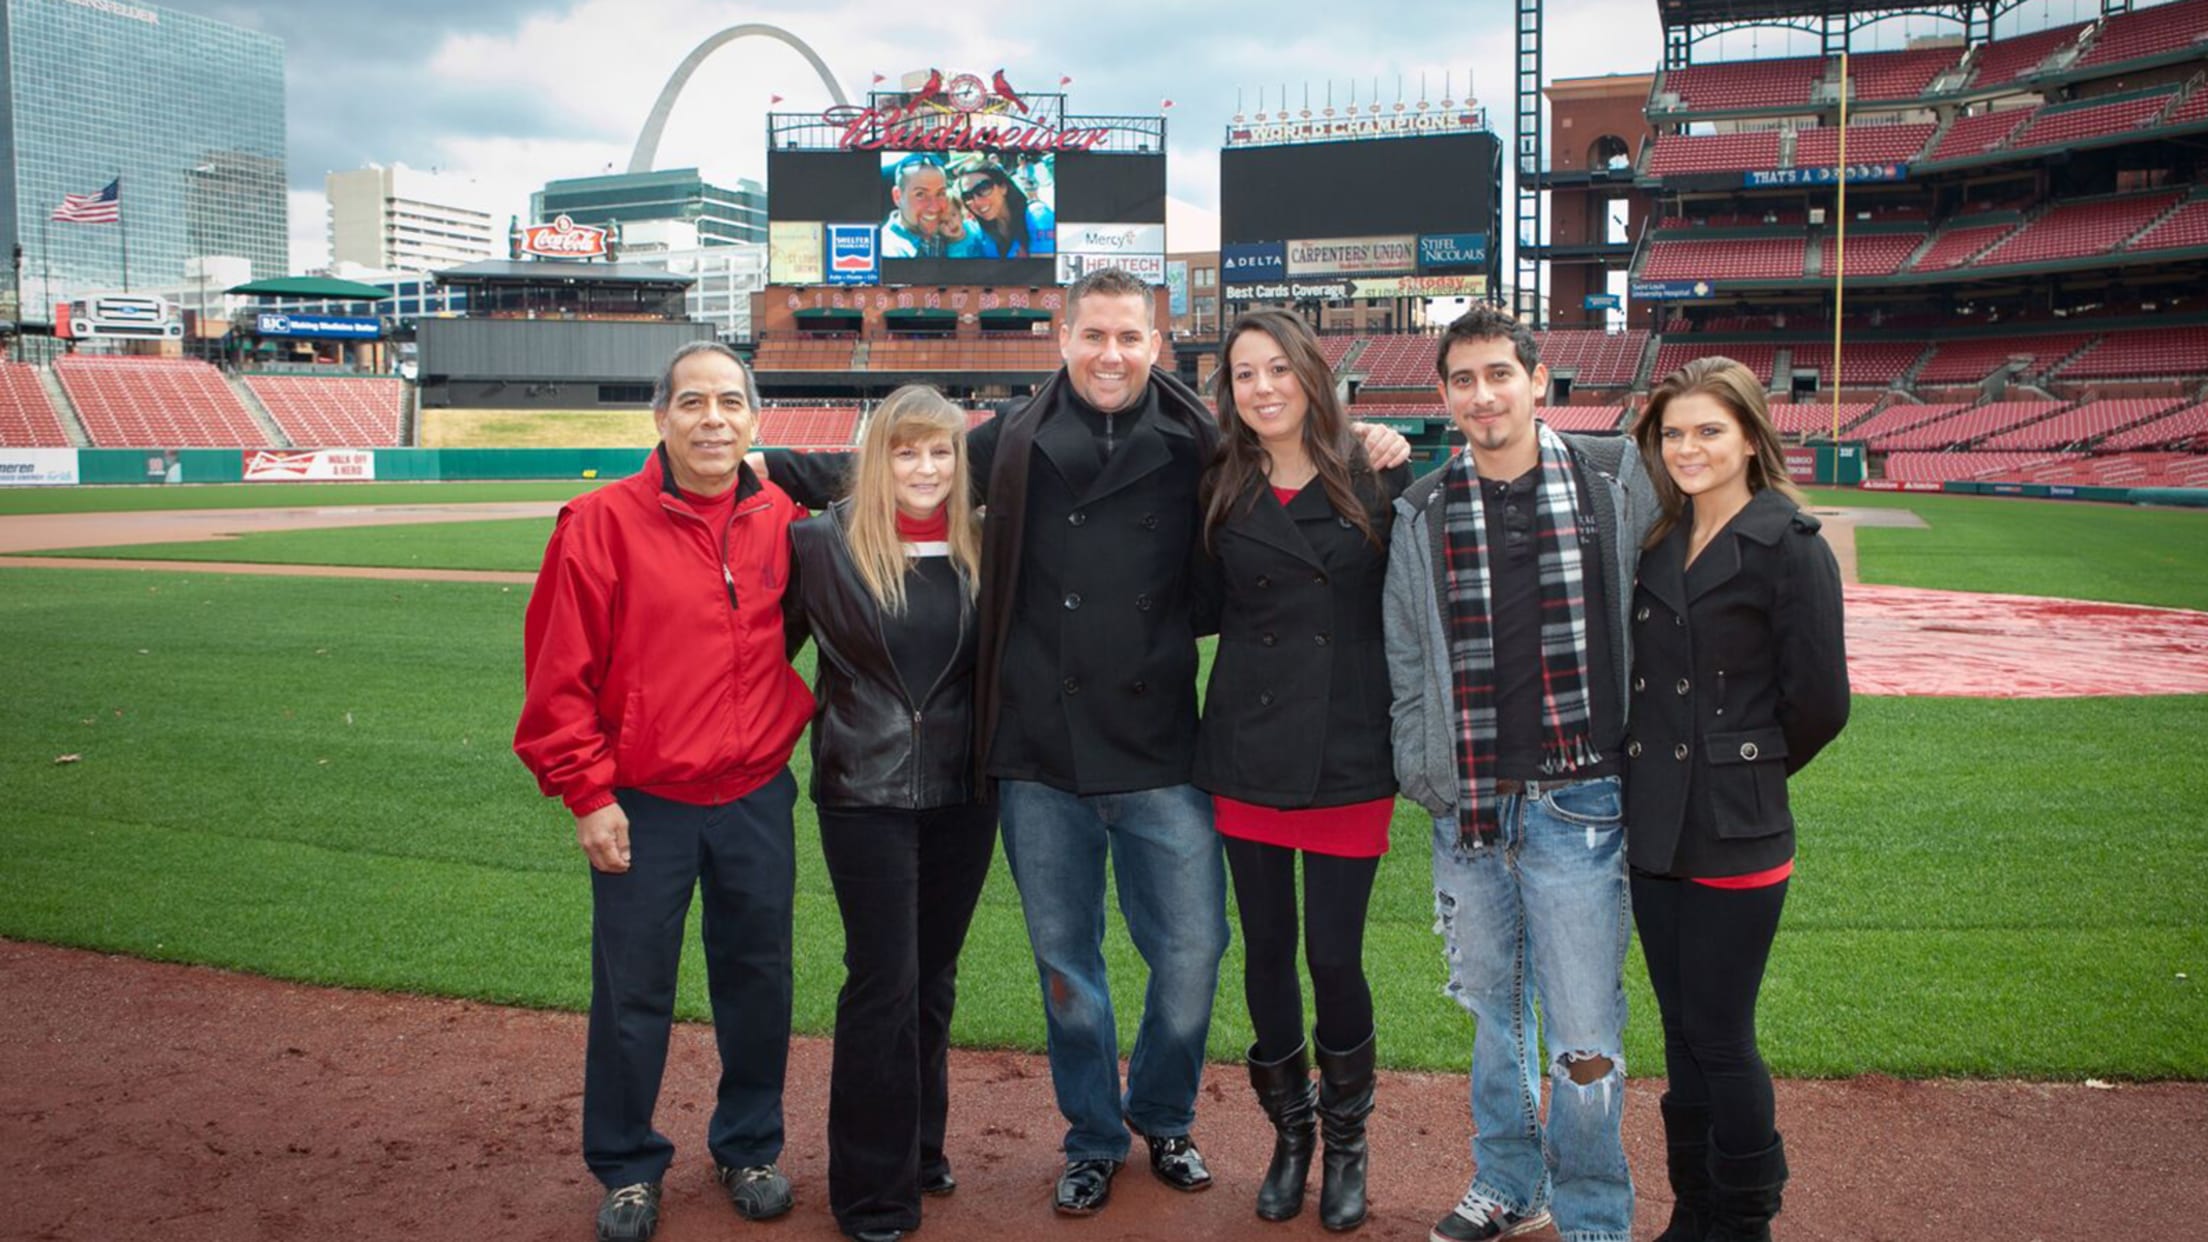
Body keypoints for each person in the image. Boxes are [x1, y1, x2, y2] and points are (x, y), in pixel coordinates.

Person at [759, 266, 1412, 1220]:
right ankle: (1095, 1137)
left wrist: (1367, 440)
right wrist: (749, 460)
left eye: (1130, 338)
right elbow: (897, 464)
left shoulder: (1199, 437)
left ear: (1157, 345)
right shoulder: (1014, 439)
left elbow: (1291, 461)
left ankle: (1162, 1111)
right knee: (1068, 971)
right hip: (1039, 752)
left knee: (1192, 955)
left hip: (1160, 747)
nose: (1112, 354)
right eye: (1094, 335)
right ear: (1062, 339)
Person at [514, 341, 811, 1242]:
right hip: (644, 801)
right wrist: (587, 794)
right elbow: (557, 675)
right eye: (692, 402)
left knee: (759, 984)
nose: (712, 418)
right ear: (660, 418)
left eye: (729, 401)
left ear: (754, 419)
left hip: (756, 795)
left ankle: (749, 1145)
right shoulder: (599, 523)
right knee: (634, 992)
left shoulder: (784, 517)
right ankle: (628, 1166)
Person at [1382, 304, 1655, 1242]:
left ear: (1539, 380)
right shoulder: (1421, 507)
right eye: (1463, 380)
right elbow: (1407, 662)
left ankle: (1592, 1213)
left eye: (1500, 373)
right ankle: (1509, 1180)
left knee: (1584, 1032)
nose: (1482, 394)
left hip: (1581, 798)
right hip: (1469, 803)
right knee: (1494, 1018)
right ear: (1445, 396)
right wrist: (1428, 777)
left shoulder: (1612, 483)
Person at [1623, 358, 1849, 1242]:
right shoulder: (1657, 538)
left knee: (1721, 1033)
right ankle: (1697, 1207)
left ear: (1752, 437)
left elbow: (1821, 704)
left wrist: (1740, 770)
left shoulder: (1791, 544)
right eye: (1674, 432)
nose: (1689, 448)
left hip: (1736, 828)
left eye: (1710, 430)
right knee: (1680, 1035)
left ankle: (1747, 1219)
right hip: (1655, 826)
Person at [1192, 309, 1406, 1231]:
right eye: (1245, 374)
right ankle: (1291, 1136)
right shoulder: (1219, 482)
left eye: (1279, 368)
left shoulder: (1381, 472)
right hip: (1246, 746)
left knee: (1333, 954)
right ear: (1229, 393)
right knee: (1267, 952)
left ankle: (1349, 1142)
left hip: (1349, 748)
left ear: (1313, 375)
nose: (1263, 387)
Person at [787, 386, 997, 1242]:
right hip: (864, 792)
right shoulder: (820, 545)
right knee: (884, 979)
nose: (925, 468)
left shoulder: (988, 544)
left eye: (941, 452)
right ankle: (871, 1190)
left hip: (964, 793)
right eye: (906, 452)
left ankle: (919, 1144)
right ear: (877, 458)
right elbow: (762, 658)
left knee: (934, 975)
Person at [946, 154, 1056, 259]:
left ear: (1003, 187)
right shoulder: (980, 233)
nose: (977, 202)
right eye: (968, 196)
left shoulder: (1038, 215)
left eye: (983, 189)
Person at [881, 154, 978, 259]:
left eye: (941, 193)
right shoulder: (888, 251)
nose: (934, 207)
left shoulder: (945, 231)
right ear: (897, 196)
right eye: (920, 194)